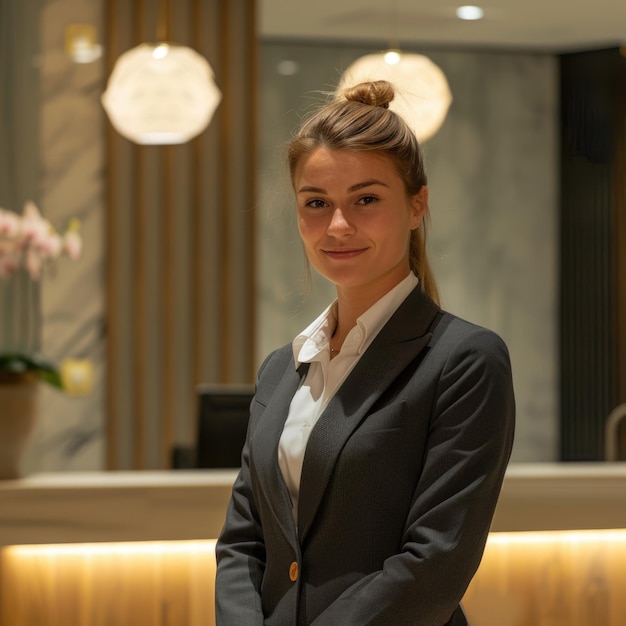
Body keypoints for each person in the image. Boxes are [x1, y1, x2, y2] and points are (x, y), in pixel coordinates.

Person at [215, 79, 515, 626]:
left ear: (417, 204)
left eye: (367, 200)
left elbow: (436, 563)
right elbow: (243, 541)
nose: (337, 225)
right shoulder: (282, 368)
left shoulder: (464, 360)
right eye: (316, 203)